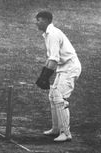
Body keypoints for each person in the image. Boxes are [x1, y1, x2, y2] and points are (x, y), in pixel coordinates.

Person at [35, 11, 81, 142]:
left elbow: (54, 60)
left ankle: (66, 133)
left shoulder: (53, 34)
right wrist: (43, 75)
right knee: (52, 96)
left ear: (45, 20)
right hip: (63, 68)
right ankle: (56, 128)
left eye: (38, 20)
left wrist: (45, 77)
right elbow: (50, 59)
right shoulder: (48, 34)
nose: (36, 23)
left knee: (60, 98)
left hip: (70, 68)